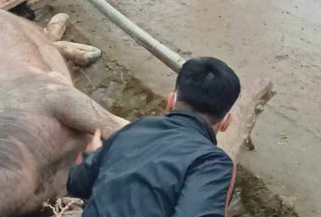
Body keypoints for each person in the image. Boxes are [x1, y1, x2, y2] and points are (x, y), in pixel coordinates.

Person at [67, 57, 241, 216]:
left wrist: (89, 156)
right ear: (226, 123)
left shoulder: (135, 128)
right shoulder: (212, 163)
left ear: (170, 102)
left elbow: (76, 185)